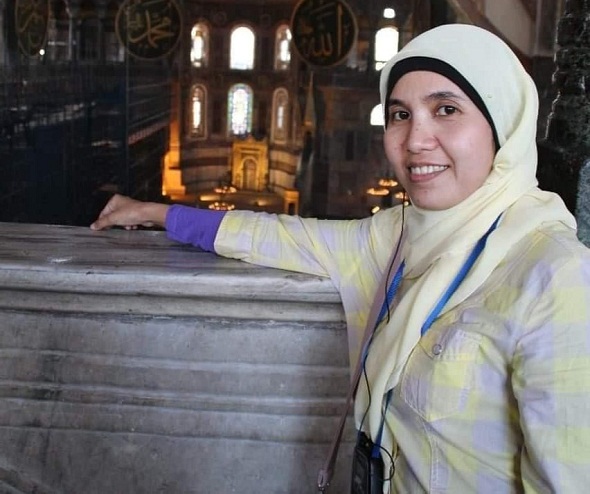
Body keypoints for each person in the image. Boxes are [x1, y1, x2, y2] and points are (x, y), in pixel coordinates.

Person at [91, 24, 590, 493]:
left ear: (503, 123)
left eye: (446, 110)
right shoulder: (398, 235)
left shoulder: (555, 276)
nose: (415, 141)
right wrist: (157, 213)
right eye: (400, 115)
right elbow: (276, 236)